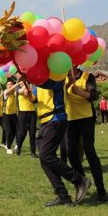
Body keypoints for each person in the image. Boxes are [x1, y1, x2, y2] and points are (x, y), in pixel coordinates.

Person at [28, 77, 88, 207]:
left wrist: (30, 78)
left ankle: (79, 180)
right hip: (44, 122)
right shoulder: (38, 81)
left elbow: (51, 85)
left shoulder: (57, 75)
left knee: (46, 155)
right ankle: (63, 196)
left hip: (56, 119)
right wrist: (28, 92)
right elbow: (34, 98)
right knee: (44, 160)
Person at [65, 66, 108, 203]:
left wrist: (81, 93)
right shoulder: (62, 78)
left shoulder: (87, 76)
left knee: (90, 152)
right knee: (71, 153)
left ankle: (101, 191)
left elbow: (94, 95)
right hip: (70, 119)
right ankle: (82, 181)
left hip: (86, 118)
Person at [15, 81, 37, 158]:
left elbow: (34, 99)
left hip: (32, 112)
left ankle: (33, 152)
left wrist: (30, 86)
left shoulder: (32, 88)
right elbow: (24, 92)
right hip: (22, 113)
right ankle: (18, 147)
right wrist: (25, 85)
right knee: (22, 132)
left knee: (32, 132)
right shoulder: (18, 88)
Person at [3, 79, 20, 155]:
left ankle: (8, 144)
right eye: (8, 84)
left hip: (14, 114)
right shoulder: (5, 92)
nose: (9, 85)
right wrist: (17, 83)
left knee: (15, 131)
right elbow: (9, 91)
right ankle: (9, 148)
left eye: (11, 84)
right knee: (8, 131)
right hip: (6, 114)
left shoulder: (15, 93)